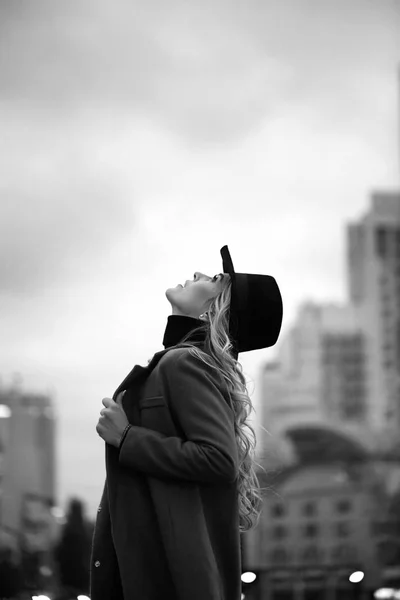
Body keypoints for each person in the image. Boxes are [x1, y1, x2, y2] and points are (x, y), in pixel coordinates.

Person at [90, 245, 283, 600]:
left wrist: (127, 438)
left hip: (167, 571)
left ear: (214, 311)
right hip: (160, 563)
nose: (198, 274)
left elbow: (217, 459)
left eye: (213, 280)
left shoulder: (186, 363)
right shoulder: (182, 362)